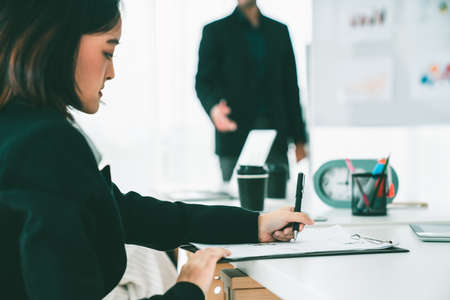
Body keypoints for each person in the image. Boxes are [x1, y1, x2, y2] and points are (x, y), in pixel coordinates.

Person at [0, 1, 313, 300]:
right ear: (58, 43)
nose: (111, 72)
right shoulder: (45, 144)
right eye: (108, 51)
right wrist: (188, 288)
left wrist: (254, 224)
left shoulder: (19, 132)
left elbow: (130, 214)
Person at [195, 0, 308, 182]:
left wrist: (299, 139)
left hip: (275, 137)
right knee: (235, 206)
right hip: (234, 135)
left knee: (279, 202)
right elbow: (203, 82)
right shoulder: (215, 31)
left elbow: (290, 88)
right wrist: (214, 109)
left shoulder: (279, 31)